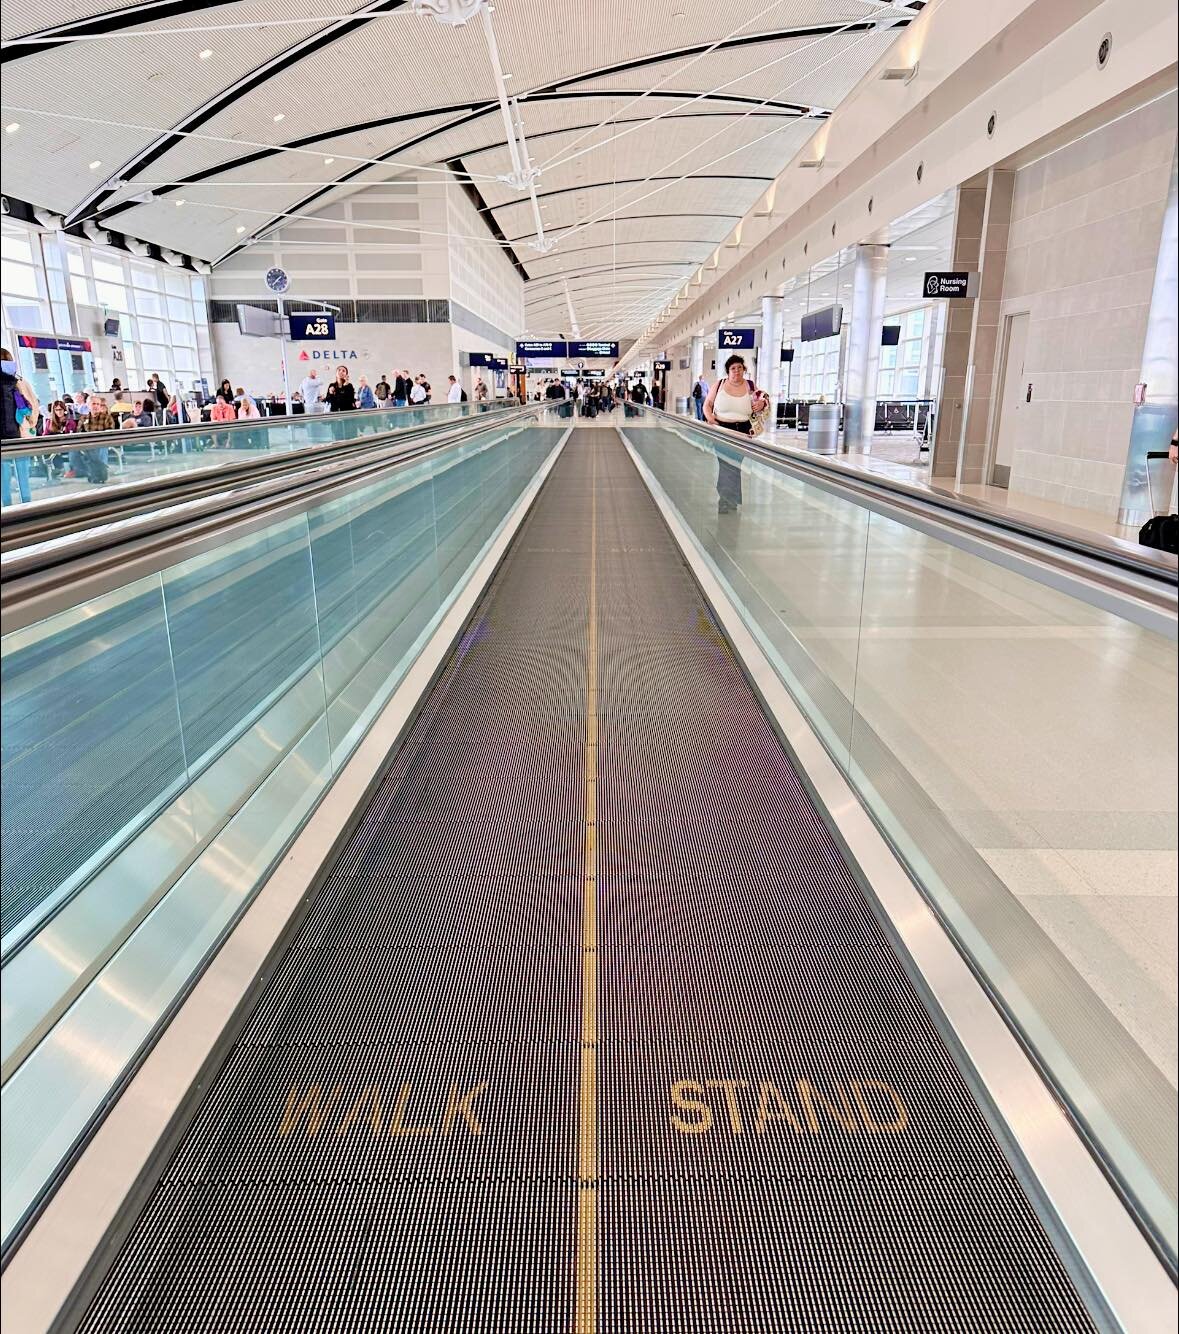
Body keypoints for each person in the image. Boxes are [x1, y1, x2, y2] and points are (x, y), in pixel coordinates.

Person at [703, 354, 769, 513]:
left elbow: (762, 400)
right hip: (722, 429)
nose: (736, 371)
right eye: (733, 368)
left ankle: (728, 499)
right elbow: (707, 404)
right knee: (725, 464)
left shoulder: (750, 386)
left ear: (744, 370)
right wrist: (710, 417)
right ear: (728, 371)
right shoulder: (719, 385)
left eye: (739, 368)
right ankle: (727, 500)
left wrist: (761, 404)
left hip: (743, 431)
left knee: (734, 465)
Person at [1, 348, 39, 505]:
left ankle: (7, 509)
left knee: (3, 478)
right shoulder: (20, 382)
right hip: (20, 434)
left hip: (2, 439)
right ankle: (27, 506)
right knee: (23, 476)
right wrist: (30, 423)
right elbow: (34, 406)